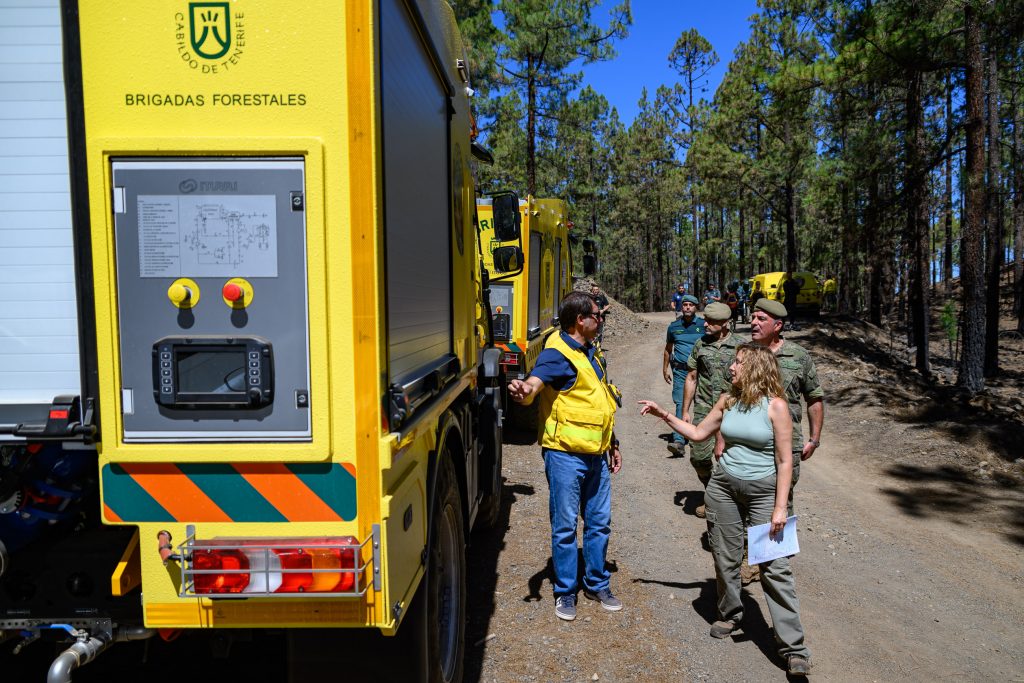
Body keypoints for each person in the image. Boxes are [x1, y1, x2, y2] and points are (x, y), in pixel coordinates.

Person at [638, 344, 812, 676]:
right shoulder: (728, 400)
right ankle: (731, 613)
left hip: (765, 494)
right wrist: (665, 415)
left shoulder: (776, 407)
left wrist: (779, 508)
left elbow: (785, 460)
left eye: (738, 363)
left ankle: (794, 647)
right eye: (732, 361)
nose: (731, 367)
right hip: (723, 487)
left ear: (757, 368)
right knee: (724, 555)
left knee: (774, 568)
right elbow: (699, 432)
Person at [508, 291, 622, 622]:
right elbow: (533, 385)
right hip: (565, 457)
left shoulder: (590, 350)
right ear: (579, 321)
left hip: (597, 454)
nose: (600, 321)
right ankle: (565, 591)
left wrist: (612, 442)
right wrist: (524, 392)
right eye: (597, 316)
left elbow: (599, 401)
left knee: (600, 523)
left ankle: (597, 583)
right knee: (566, 526)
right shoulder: (557, 355)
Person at [747, 299, 824, 513]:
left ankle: (778, 546)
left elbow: (814, 397)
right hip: (749, 441)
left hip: (788, 443)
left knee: (782, 502)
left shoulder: (798, 356)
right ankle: (748, 545)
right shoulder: (744, 354)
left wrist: (814, 440)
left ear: (777, 326)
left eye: (761, 319)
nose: (754, 323)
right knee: (749, 498)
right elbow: (728, 399)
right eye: (753, 317)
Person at [682, 302, 744, 519]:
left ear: (726, 324)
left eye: (711, 322)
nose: (705, 324)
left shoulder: (741, 346)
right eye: (705, 320)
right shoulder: (701, 344)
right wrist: (685, 410)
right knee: (698, 458)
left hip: (734, 411)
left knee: (730, 459)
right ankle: (713, 492)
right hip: (704, 409)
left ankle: (729, 504)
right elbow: (691, 377)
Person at [663, 294, 704, 456]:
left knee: (703, 404)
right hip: (680, 371)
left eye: (691, 305)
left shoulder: (703, 325)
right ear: (681, 307)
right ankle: (678, 440)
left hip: (702, 371)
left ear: (696, 308)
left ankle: (702, 437)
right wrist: (664, 369)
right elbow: (668, 349)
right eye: (685, 304)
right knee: (681, 404)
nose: (687, 307)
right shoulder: (673, 327)